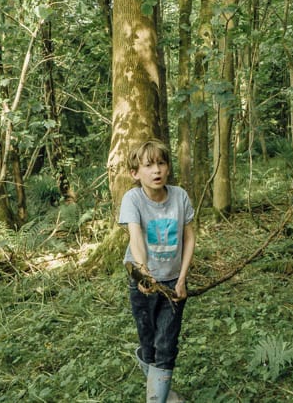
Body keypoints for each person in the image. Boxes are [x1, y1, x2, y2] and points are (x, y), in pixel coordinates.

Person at [119, 139, 196, 403]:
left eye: (161, 163)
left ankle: (157, 400)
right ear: (135, 173)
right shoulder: (132, 199)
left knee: (166, 345)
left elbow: (189, 238)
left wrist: (183, 278)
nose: (156, 171)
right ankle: (165, 394)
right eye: (148, 165)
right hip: (142, 282)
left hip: (173, 282)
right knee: (149, 343)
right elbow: (135, 236)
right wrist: (143, 272)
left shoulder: (180, 196)